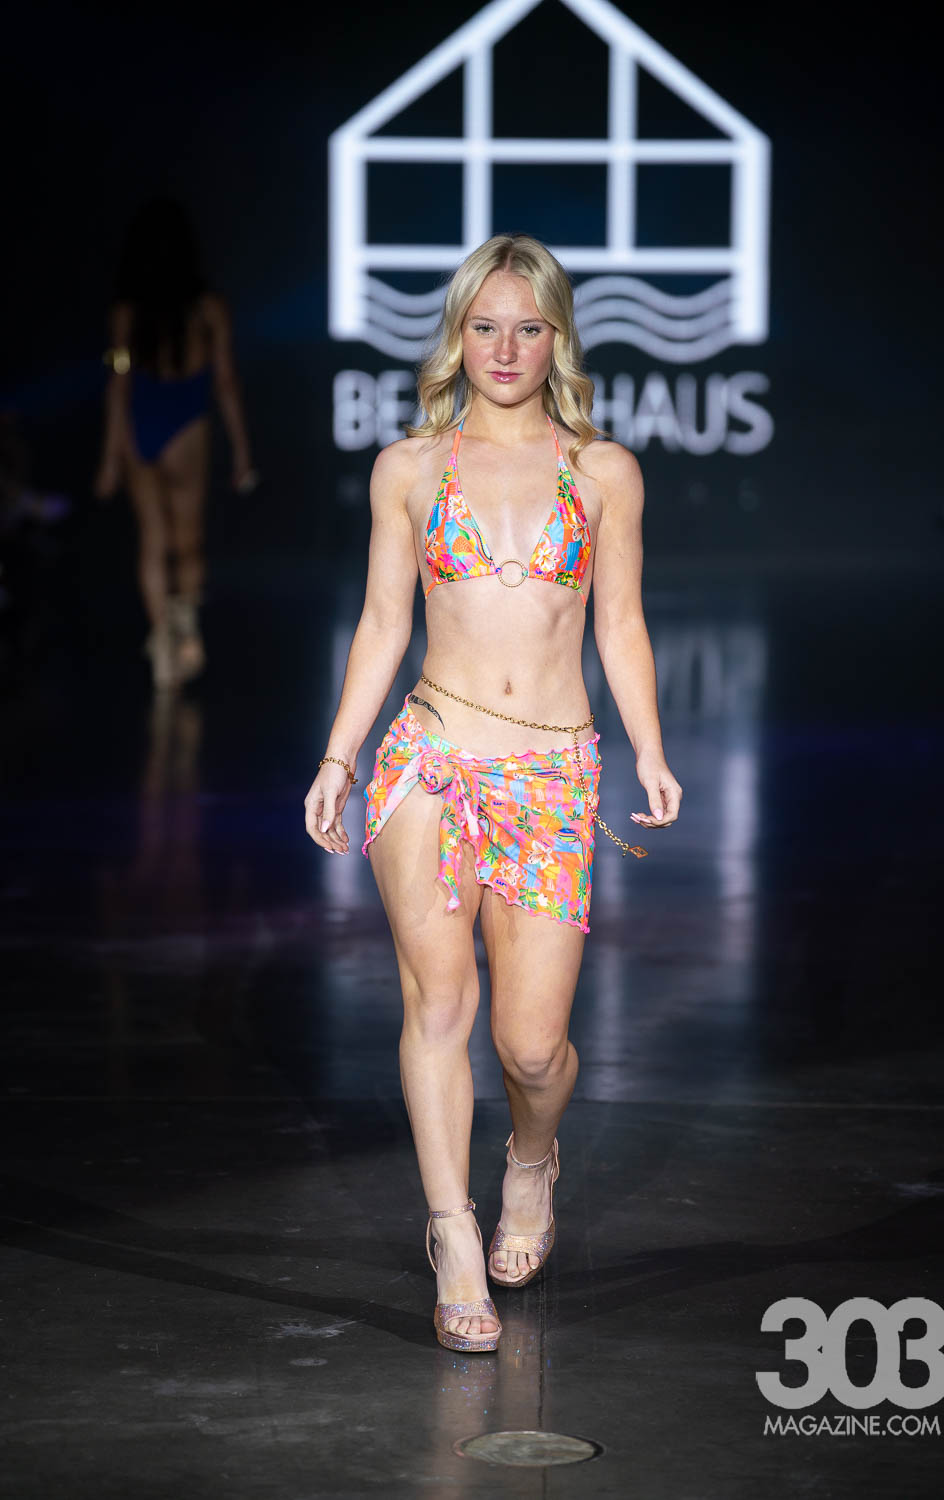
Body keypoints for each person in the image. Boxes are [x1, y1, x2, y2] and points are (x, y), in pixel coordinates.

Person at [304, 234, 682, 1353]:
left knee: (529, 1047)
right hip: (429, 757)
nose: (505, 349)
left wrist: (651, 750)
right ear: (456, 335)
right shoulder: (410, 469)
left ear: (556, 336)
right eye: (484, 327)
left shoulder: (602, 471)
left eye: (527, 327)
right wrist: (339, 756)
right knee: (438, 1006)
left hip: (552, 771)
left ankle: (530, 1158)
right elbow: (383, 622)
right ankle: (451, 1232)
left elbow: (619, 621)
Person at [95, 197, 255, 688]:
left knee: (153, 539)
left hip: (140, 421)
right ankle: (183, 631)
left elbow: (119, 382)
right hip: (186, 423)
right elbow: (224, 380)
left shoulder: (126, 314)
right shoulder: (208, 309)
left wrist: (110, 459)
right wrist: (242, 452)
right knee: (187, 542)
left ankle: (163, 637)